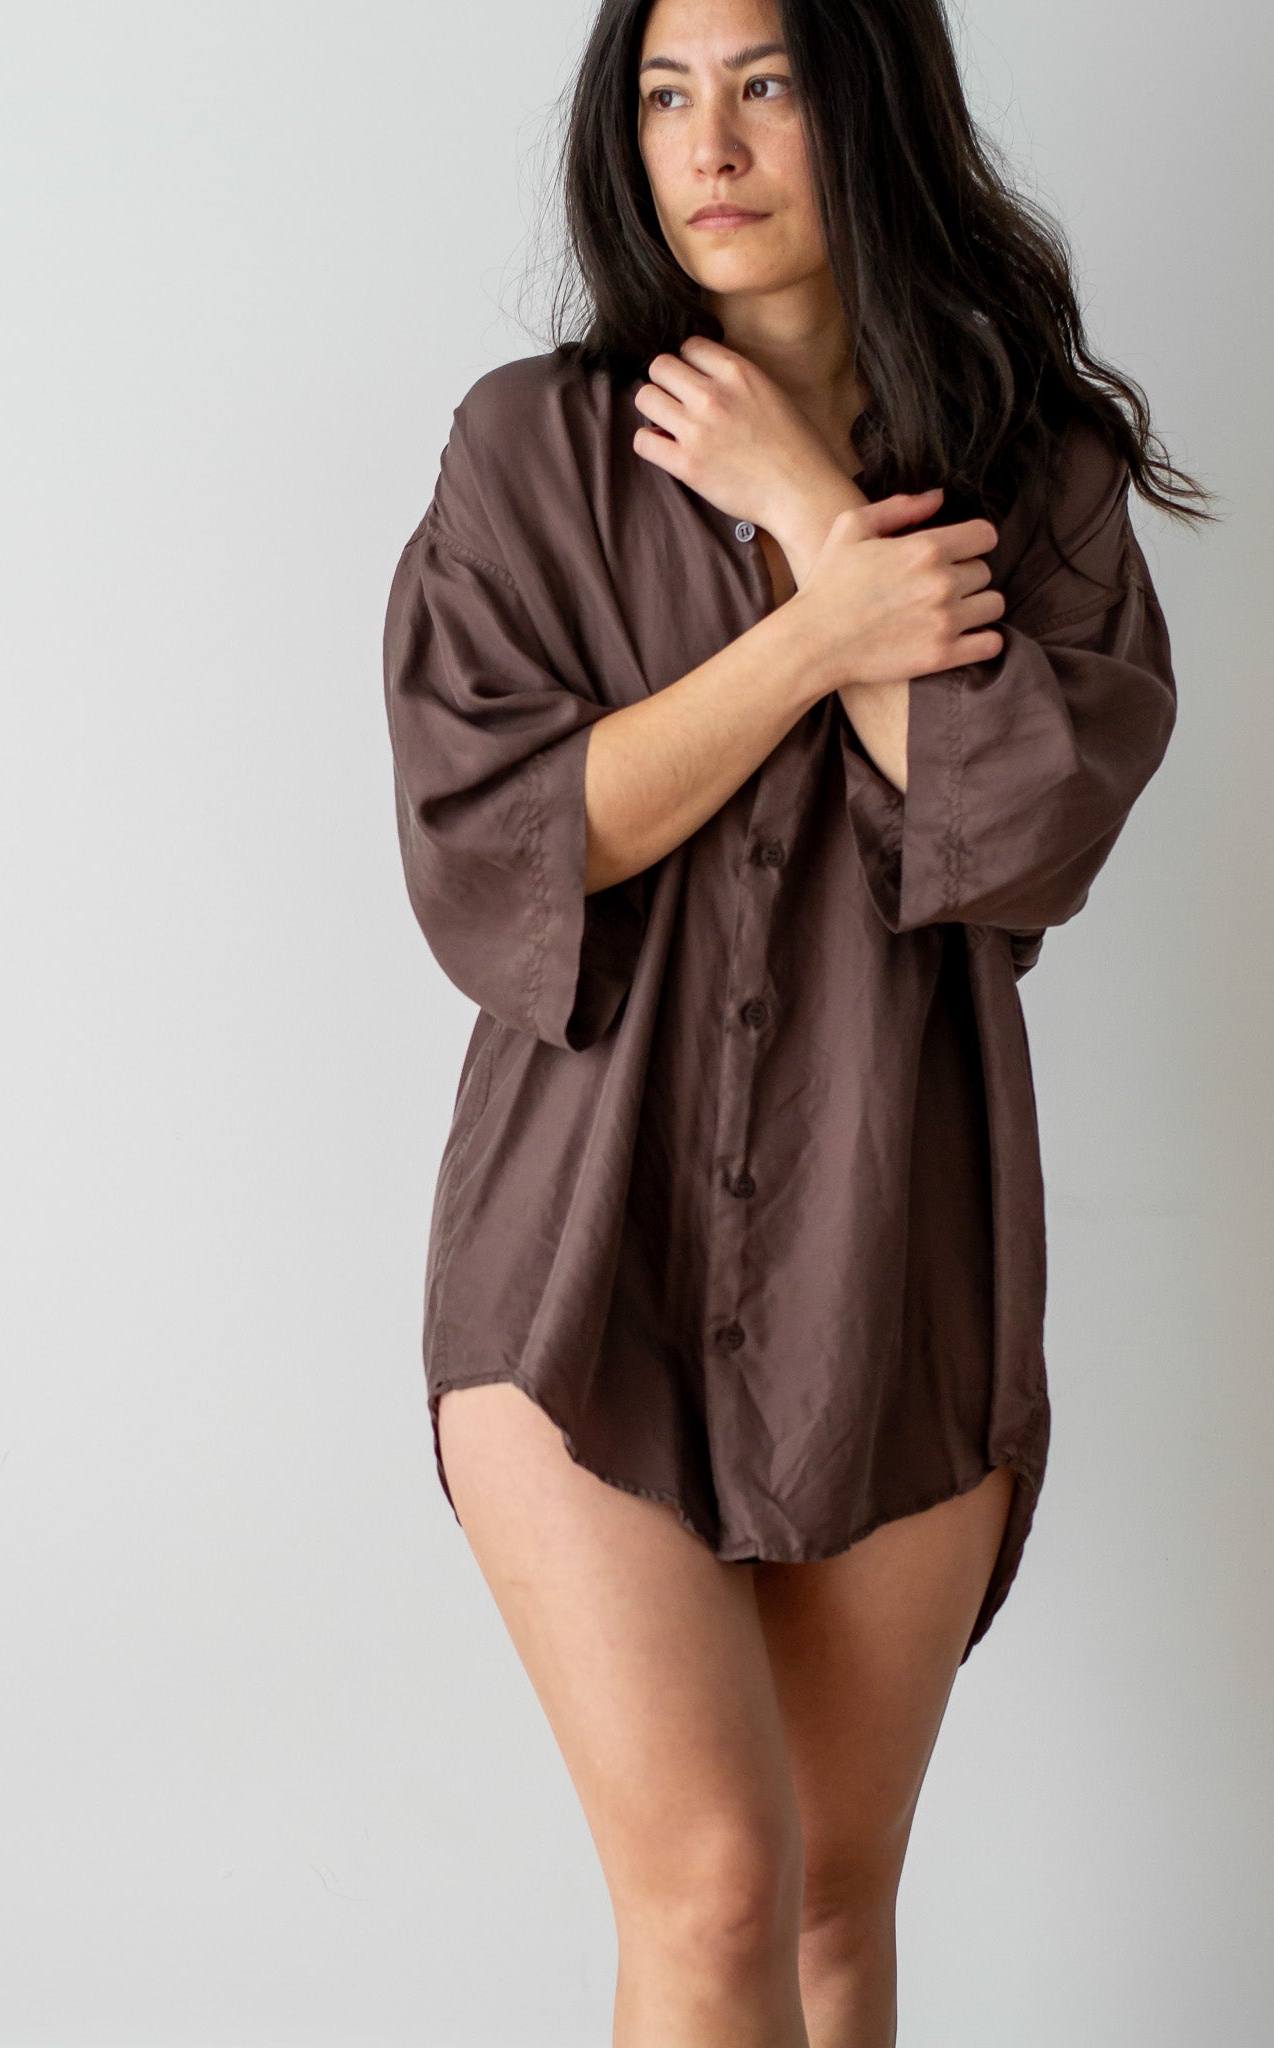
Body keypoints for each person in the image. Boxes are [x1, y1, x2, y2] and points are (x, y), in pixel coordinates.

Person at [381, 0, 1211, 2040]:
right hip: (577, 1259)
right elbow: (497, 845)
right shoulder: (530, 454)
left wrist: (813, 507)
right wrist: (828, 631)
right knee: (718, 1886)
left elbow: (1027, 828)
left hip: (896, 1261)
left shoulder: (1041, 473)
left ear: (869, 102)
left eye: (763, 82)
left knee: (838, 1908)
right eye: (666, 95)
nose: (710, 141)